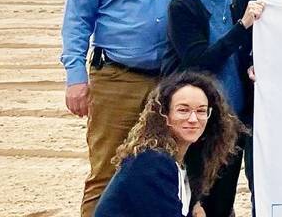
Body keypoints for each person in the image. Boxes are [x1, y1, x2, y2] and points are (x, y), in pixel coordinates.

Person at [60, 0, 192, 216]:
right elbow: (77, 19)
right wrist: (76, 77)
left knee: (171, 169)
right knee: (107, 170)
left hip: (171, 81)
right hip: (117, 79)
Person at [161, 0, 265, 217]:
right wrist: (242, 26)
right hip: (196, 123)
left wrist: (254, 66)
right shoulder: (182, 5)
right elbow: (198, 63)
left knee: (223, 203)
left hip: (234, 121)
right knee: (195, 202)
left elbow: (247, 53)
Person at [94, 72, 243, 217]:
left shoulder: (183, 161)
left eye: (201, 111)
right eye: (183, 110)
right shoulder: (153, 161)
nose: (193, 118)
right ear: (164, 114)